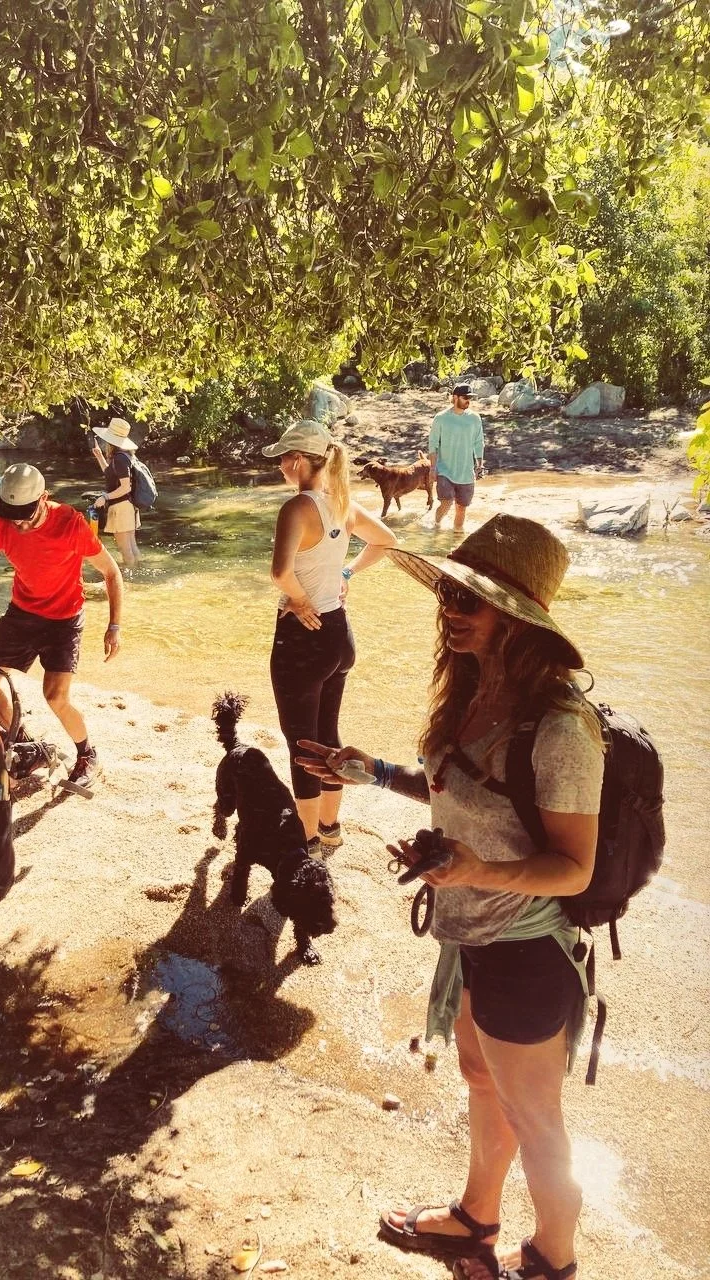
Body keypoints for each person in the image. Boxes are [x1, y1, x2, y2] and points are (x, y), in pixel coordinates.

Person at [297, 514, 604, 1280]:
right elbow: (456, 791)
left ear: (519, 617)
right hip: (471, 936)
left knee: (536, 1118)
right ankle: (476, 1220)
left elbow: (574, 869)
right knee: (480, 1077)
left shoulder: (562, 727)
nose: (451, 610)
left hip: (528, 950)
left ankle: (552, 1259)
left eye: (472, 599)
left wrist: (474, 871)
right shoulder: (474, 687)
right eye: (449, 593)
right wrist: (371, 772)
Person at [262, 419, 398, 851]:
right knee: (327, 735)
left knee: (303, 743)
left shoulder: (297, 507)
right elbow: (387, 541)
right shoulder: (342, 505)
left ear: (299, 460)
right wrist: (347, 573)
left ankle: (306, 842)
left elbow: (280, 573)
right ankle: (330, 828)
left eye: (284, 458)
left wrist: (300, 600)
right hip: (340, 634)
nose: (280, 466)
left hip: (304, 636)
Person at [0, 462, 124, 791]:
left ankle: (87, 754)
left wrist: (114, 625)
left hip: (64, 619)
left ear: (44, 498)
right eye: (13, 516)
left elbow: (111, 573)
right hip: (22, 614)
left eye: (25, 515)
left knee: (55, 697)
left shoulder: (70, 523)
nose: (19, 523)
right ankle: (29, 745)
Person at [429, 383, 485, 533]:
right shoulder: (441, 418)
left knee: (461, 508)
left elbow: (479, 442)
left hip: (466, 473)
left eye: (470, 398)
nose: (468, 401)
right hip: (445, 471)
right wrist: (433, 468)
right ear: (455, 397)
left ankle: (457, 536)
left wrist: (479, 465)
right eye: (465, 397)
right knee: (446, 503)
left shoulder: (475, 418)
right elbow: (433, 444)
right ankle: (436, 527)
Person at [90, 417, 141, 569]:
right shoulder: (125, 456)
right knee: (131, 546)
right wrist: (99, 456)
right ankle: (138, 572)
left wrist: (105, 497)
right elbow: (110, 475)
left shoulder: (119, 459)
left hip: (121, 508)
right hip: (129, 506)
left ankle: (131, 577)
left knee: (125, 549)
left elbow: (125, 487)